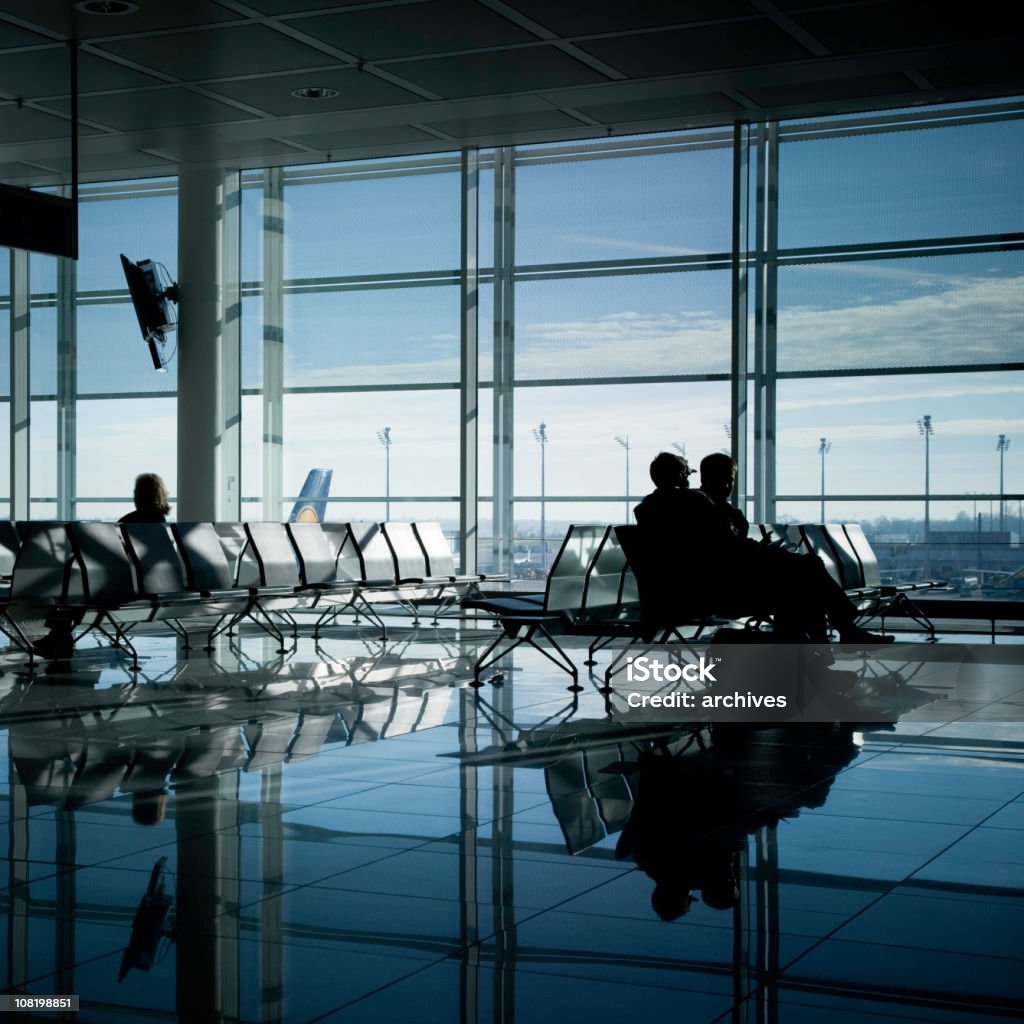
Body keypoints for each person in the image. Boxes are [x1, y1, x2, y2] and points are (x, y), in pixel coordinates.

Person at [634, 450, 892, 647]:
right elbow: (725, 549)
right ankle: (831, 642)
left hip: (687, 590)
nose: (691, 479)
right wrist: (765, 548)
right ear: (679, 475)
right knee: (805, 574)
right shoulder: (694, 502)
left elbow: (705, 550)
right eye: (687, 473)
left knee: (800, 581)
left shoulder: (645, 509)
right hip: (717, 590)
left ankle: (817, 651)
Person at [32, 473, 170, 659]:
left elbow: (111, 552)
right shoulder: (160, 522)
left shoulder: (129, 522)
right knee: (81, 588)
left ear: (139, 495)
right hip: (153, 581)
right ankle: (59, 636)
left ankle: (59, 636)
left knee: (76, 587)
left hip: (129, 584)